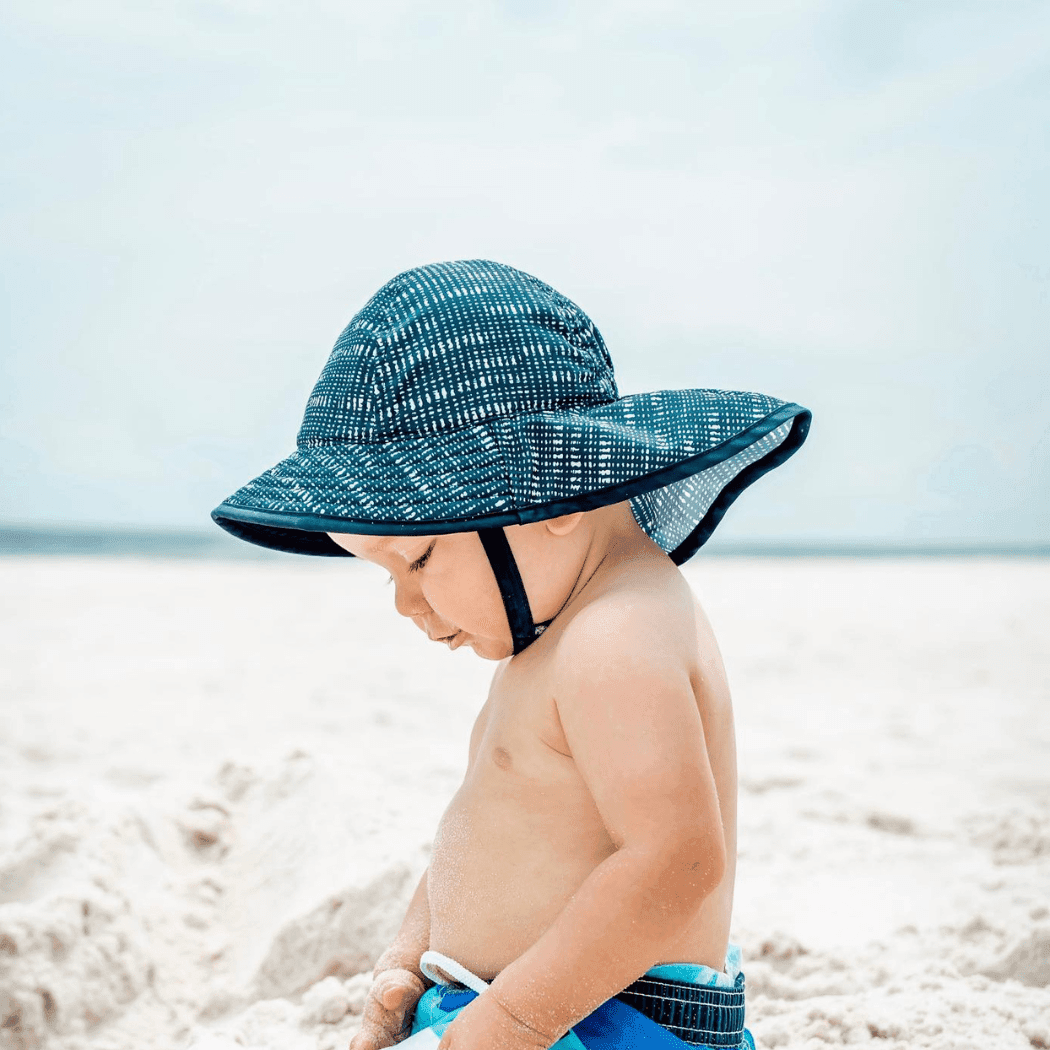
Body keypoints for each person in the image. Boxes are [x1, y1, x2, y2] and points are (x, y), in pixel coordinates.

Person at [212, 259, 812, 1050]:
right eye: (385, 573)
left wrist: (512, 1023)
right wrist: (410, 956)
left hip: (603, 1021)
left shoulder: (616, 634)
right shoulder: (560, 631)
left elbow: (676, 862)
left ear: (551, 493)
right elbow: (487, 823)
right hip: (524, 1011)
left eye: (420, 559)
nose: (404, 602)